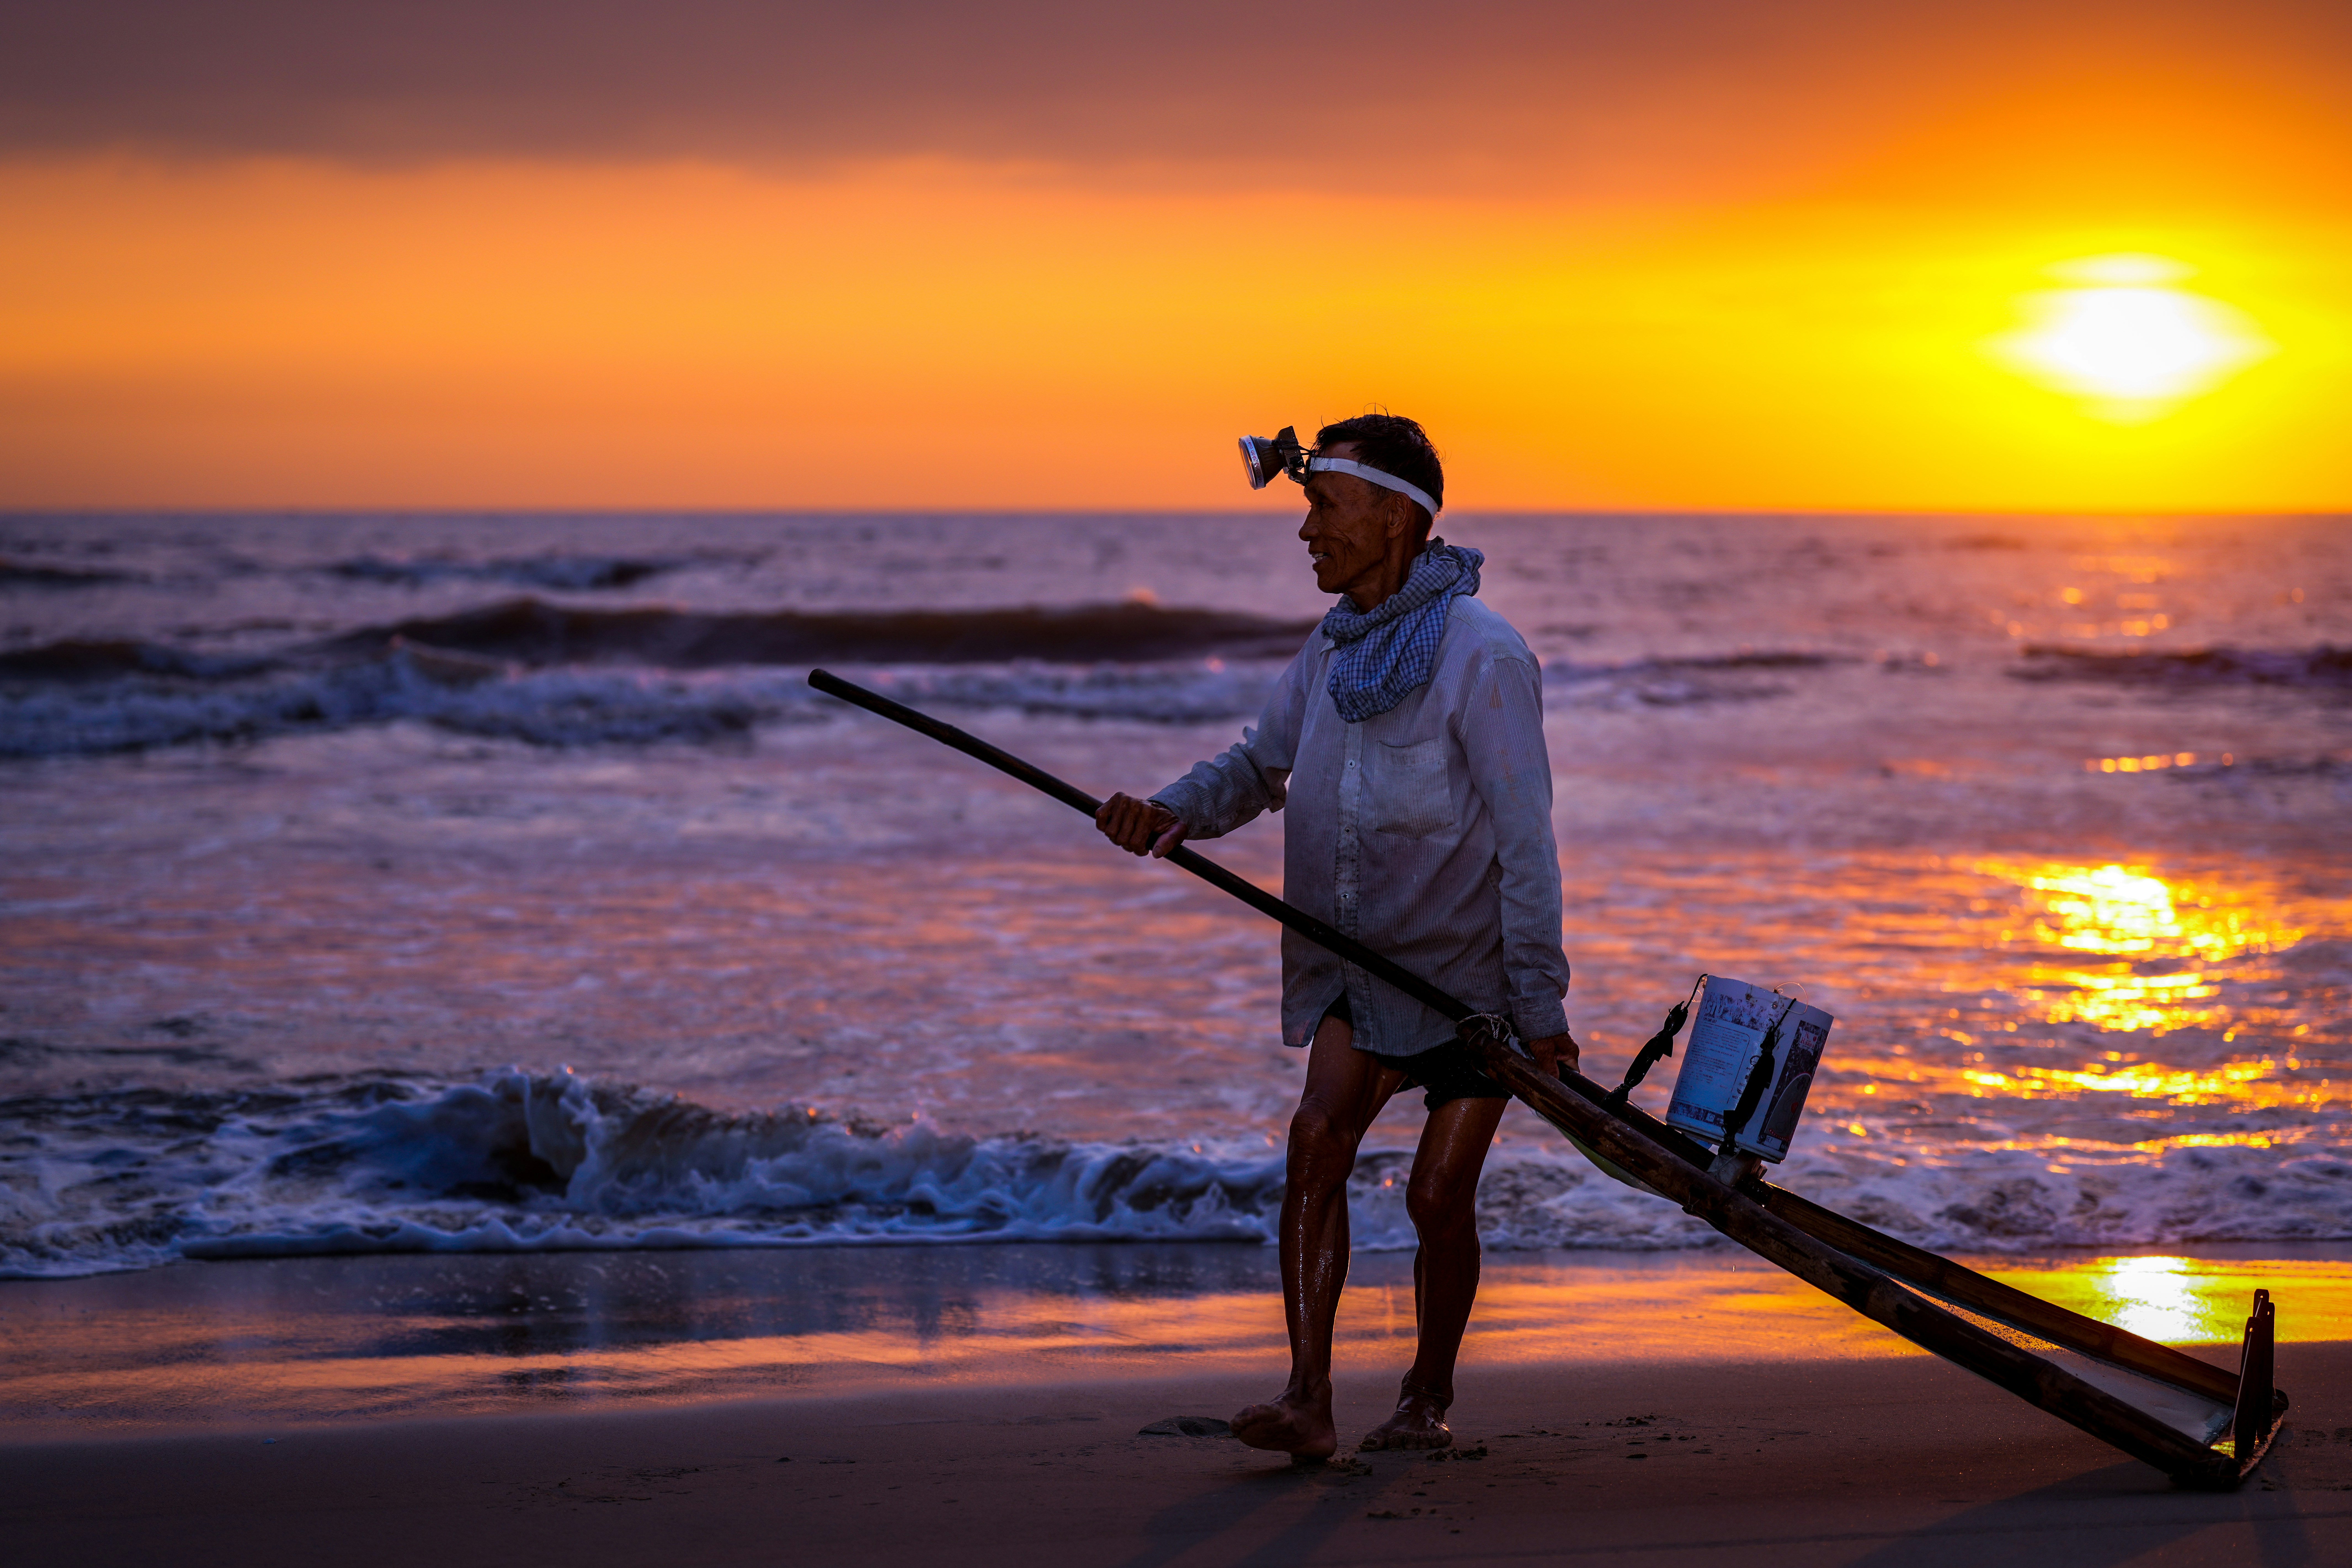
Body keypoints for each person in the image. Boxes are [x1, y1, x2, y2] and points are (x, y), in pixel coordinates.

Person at [1095, 413, 1573, 1459]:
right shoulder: (1330, 647)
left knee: (1436, 1195)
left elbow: (1527, 847)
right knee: (1316, 1144)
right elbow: (1259, 767)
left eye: (1323, 507)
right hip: (1355, 966)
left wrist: (1542, 1012)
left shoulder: (1485, 657)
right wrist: (1167, 809)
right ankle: (1309, 1397)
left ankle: (1427, 1398)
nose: (1306, 532)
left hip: (1469, 985)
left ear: (1395, 519)